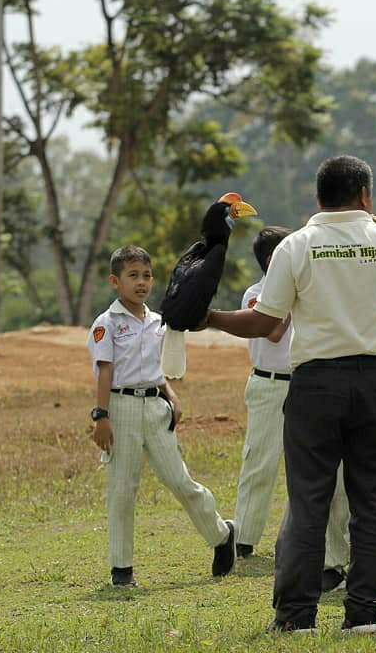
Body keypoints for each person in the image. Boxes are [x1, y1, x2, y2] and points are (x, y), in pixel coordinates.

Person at [204, 156, 376, 635]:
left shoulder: (297, 246)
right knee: (373, 503)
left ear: (318, 197)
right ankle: (361, 616)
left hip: (316, 385)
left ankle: (296, 618)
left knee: (309, 503)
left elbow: (265, 321)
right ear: (365, 196)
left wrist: (211, 317)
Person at [87, 245, 236, 588]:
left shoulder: (159, 322)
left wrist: (171, 395)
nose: (141, 283)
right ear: (115, 281)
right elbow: (106, 372)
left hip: (156, 408)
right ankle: (121, 571)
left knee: (180, 482)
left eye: (147, 275)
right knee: (122, 490)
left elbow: (159, 369)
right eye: (133, 276)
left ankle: (221, 535)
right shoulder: (106, 324)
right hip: (120, 408)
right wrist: (101, 416)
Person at [231, 227, 350, 591]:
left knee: (322, 467)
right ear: (274, 260)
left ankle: (333, 550)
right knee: (260, 459)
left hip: (305, 382)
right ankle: (244, 537)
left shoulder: (309, 288)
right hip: (268, 383)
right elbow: (273, 333)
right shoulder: (256, 293)